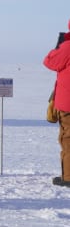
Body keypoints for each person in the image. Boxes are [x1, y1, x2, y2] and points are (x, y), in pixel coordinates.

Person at [43, 22, 70, 187]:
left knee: (68, 139)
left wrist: (59, 45)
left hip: (68, 103)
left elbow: (49, 62)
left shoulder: (68, 47)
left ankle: (68, 177)